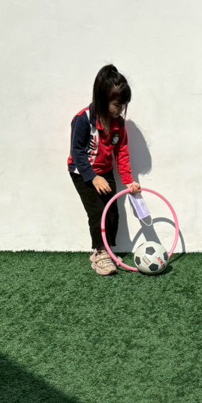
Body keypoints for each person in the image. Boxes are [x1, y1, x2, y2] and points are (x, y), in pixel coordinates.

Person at [68, 64, 140, 276]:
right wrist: (92, 177)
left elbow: (122, 154)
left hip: (105, 172)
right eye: (117, 104)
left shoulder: (119, 124)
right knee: (98, 212)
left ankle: (107, 250)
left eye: (124, 104)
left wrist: (129, 181)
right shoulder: (83, 119)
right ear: (102, 99)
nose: (121, 109)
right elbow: (77, 152)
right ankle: (100, 253)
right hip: (83, 172)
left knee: (112, 213)